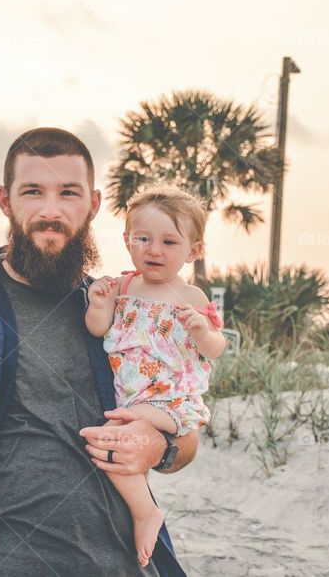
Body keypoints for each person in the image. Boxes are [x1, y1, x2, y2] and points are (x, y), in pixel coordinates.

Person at [0, 127, 196, 576]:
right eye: (33, 191)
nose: (51, 211)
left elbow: (186, 433)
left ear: (93, 205)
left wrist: (158, 446)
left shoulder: (122, 311)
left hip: (130, 562)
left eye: (68, 193)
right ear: (5, 200)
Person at [85, 185, 226, 566]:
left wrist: (201, 331)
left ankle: (146, 513)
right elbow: (99, 329)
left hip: (168, 398)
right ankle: (141, 512)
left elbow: (216, 348)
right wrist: (99, 303)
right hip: (127, 394)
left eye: (169, 241)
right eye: (143, 238)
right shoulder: (124, 287)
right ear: (127, 240)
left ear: (192, 251)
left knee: (114, 435)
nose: (154, 250)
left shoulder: (192, 297)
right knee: (118, 447)